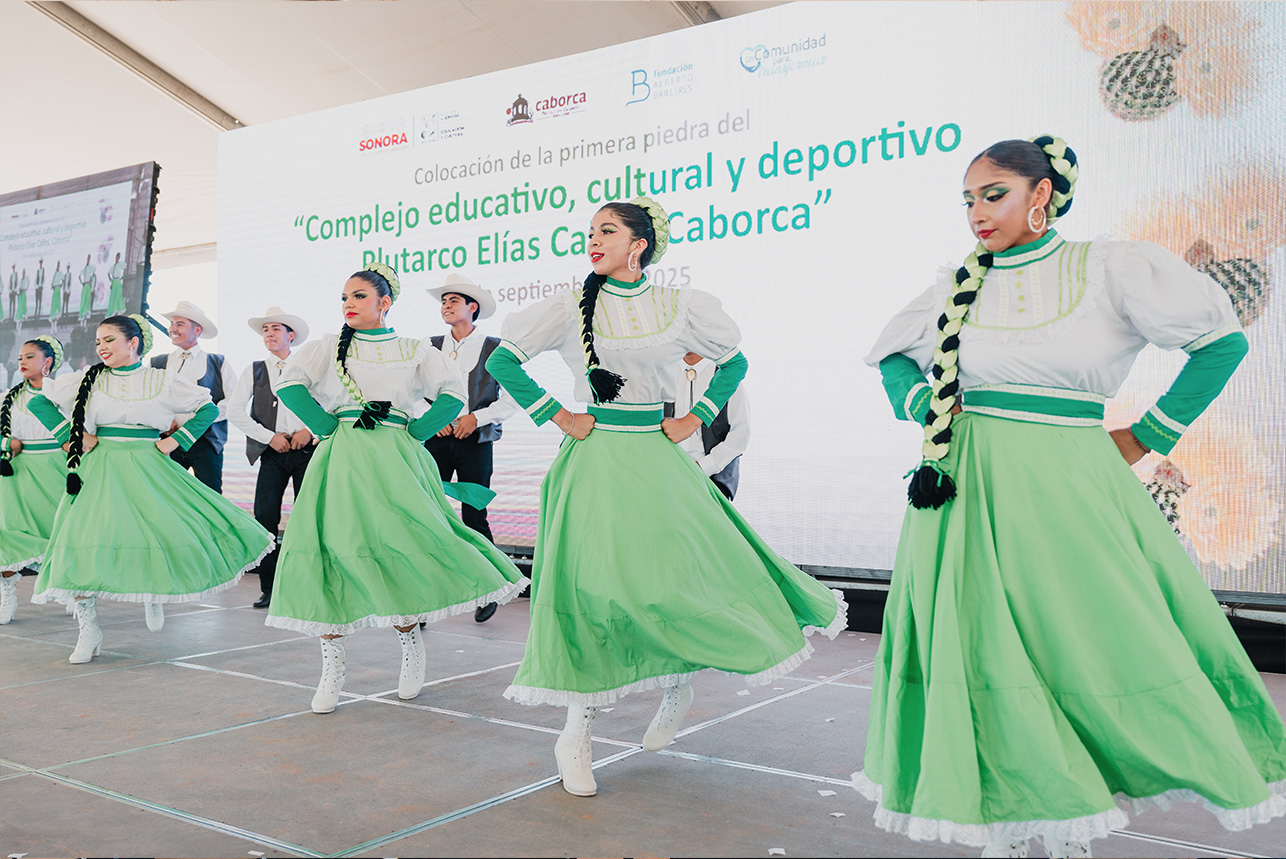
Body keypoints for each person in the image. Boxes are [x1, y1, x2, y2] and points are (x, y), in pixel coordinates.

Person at [852, 136, 1286, 859]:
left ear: (1041, 194)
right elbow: (891, 356)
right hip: (965, 490)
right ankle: (1015, 817)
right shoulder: (957, 282)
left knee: (1085, 639)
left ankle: (1071, 815)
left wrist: (1148, 433)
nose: (976, 212)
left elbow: (1221, 343)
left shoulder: (1110, 267)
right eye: (967, 199)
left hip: (1072, 487)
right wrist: (918, 404)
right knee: (982, 643)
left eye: (993, 194)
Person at [486, 196, 847, 797]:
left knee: (674, 576)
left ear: (640, 244)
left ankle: (677, 680)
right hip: (595, 459)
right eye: (589, 231)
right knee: (592, 587)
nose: (593, 240)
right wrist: (558, 413)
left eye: (606, 230)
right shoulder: (571, 306)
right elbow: (505, 362)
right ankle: (577, 731)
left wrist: (696, 414)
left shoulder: (679, 306)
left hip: (657, 457)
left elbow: (734, 364)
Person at [264, 263, 528, 714]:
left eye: (360, 296)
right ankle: (331, 668)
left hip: (396, 458)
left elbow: (452, 396)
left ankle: (411, 648)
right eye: (345, 297)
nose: (349, 304)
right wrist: (327, 425)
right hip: (342, 456)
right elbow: (289, 386)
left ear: (385, 303)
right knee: (332, 549)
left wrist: (415, 431)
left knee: (402, 544)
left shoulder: (412, 349)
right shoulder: (327, 347)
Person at [26, 314, 271, 662]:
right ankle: (88, 629)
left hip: (148, 463)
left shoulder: (162, 379)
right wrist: (74, 438)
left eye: (109, 340)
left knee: (155, 533)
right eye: (98, 342)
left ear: (133, 343)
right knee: (78, 542)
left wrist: (177, 441)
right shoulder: (88, 379)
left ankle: (152, 593)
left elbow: (205, 409)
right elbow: (39, 401)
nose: (101, 347)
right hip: (100, 467)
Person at [425, 273, 520, 623]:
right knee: (428, 514)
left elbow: (511, 400)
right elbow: (415, 393)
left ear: (472, 307)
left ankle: (490, 589)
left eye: (453, 300)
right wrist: (436, 419)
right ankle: (424, 597)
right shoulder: (429, 346)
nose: (446, 306)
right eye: (443, 301)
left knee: (473, 515)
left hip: (475, 443)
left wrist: (474, 419)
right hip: (434, 442)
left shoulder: (496, 348)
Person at [227, 307, 314, 609]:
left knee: (308, 518)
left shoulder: (309, 365)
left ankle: (308, 585)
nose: (269, 334)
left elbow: (331, 402)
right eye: (265, 330)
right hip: (272, 452)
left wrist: (309, 430)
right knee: (266, 519)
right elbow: (233, 410)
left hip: (307, 451)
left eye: (276, 329)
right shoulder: (255, 369)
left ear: (291, 335)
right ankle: (269, 587)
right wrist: (269, 437)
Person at [0, 336, 67, 624]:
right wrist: (8, 444)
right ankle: (6, 592)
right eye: (20, 358)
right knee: (8, 531)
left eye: (29, 357)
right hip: (19, 472)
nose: (22, 362)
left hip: (57, 468)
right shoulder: (9, 397)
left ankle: (71, 590)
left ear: (47, 362)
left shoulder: (63, 394)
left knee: (62, 530)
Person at [150, 301, 238, 492]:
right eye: (172, 324)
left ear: (197, 329)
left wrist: (198, 421)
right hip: (167, 441)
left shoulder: (218, 362)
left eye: (179, 324)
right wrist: (164, 419)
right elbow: (149, 400)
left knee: (211, 495)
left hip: (206, 443)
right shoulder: (156, 362)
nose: (172, 328)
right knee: (168, 495)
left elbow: (233, 400)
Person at [664, 351, 749, 501]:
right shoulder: (663, 374)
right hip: (668, 476)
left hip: (714, 479)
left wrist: (703, 467)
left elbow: (740, 434)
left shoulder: (727, 374)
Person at [77, 256, 95, 322]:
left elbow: (93, 276)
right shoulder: (84, 269)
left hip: (88, 286)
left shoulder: (91, 268)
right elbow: (79, 276)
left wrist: (92, 286)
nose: (88, 260)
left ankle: (85, 320)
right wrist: (82, 282)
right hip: (85, 286)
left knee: (88, 301)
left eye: (89, 259)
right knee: (83, 301)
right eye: (87, 259)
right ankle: (82, 318)